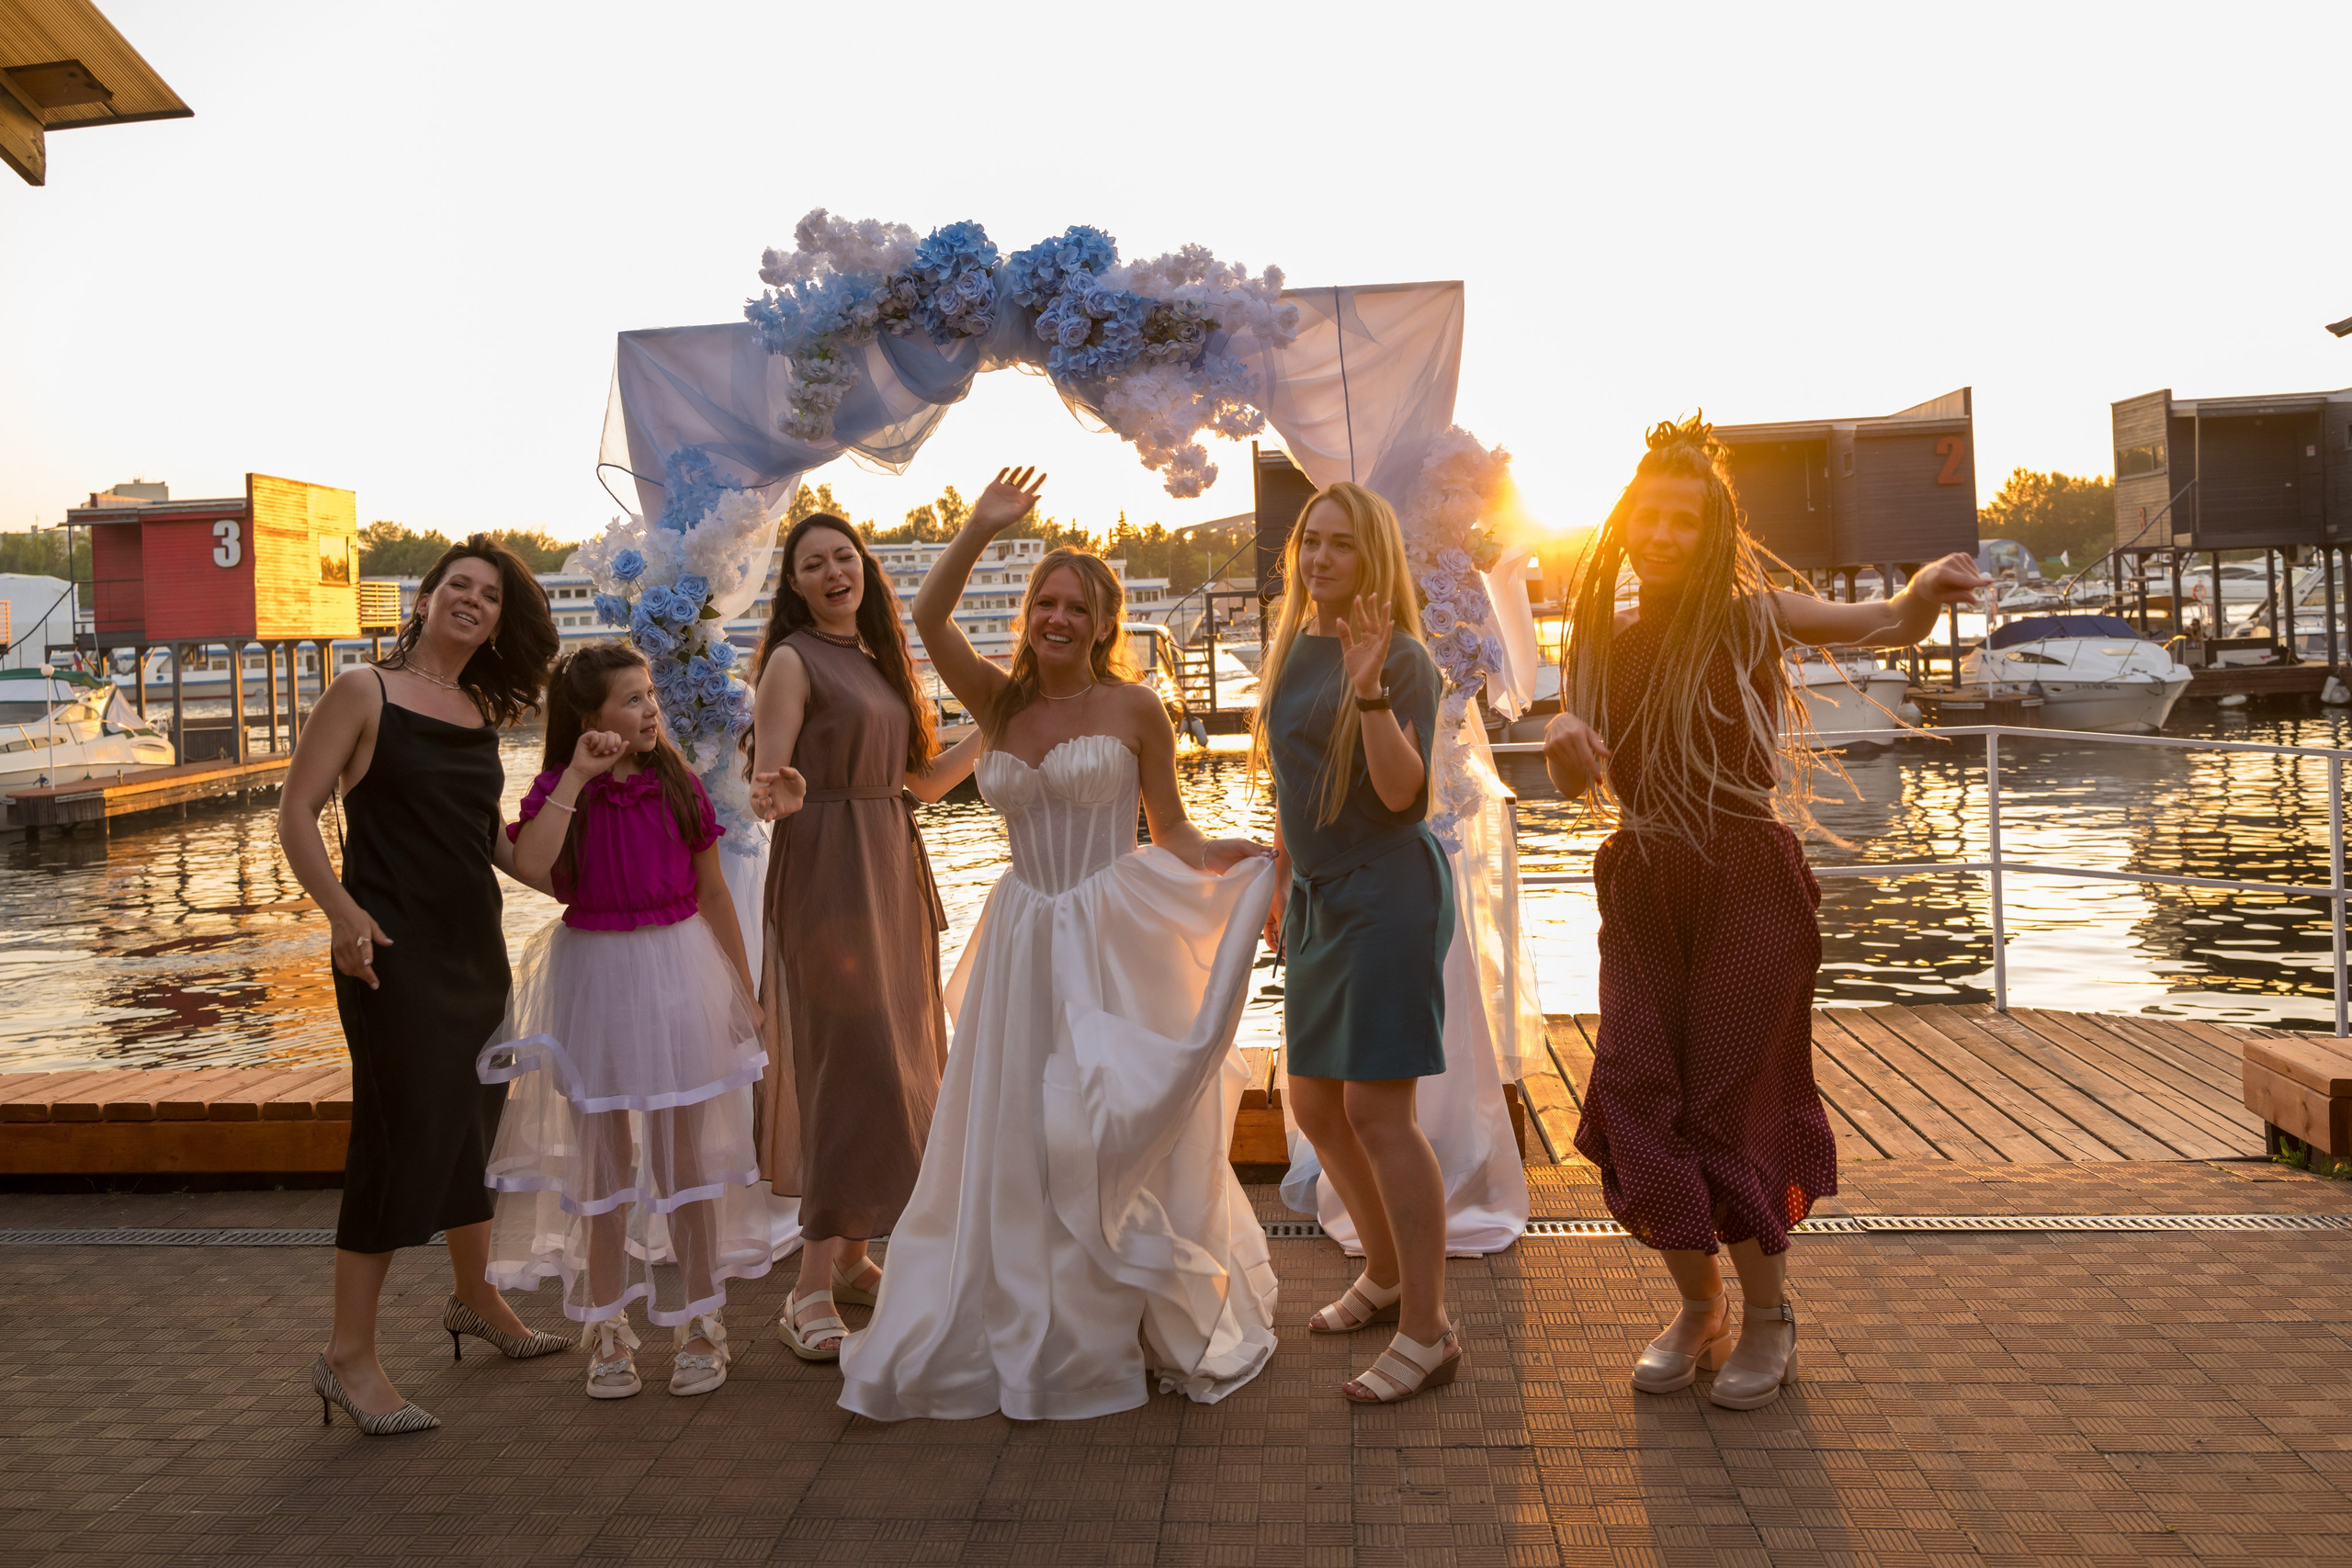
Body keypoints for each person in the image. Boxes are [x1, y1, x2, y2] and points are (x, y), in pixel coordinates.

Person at [1542, 415, 1989, 1409]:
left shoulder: (1751, 619)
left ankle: (1770, 1315)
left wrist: (1919, 594)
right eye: (1649, 517)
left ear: (1711, 530)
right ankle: (1700, 1308)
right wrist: (1568, 751)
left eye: (1685, 520)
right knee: (1630, 1084)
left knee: (1723, 1101)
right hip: (1647, 874)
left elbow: (1883, 625)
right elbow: (1583, 774)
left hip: (1743, 874)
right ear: (1624, 524)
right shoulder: (1600, 646)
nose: (1664, 535)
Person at [836, 468, 1278, 1422]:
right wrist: (981, 526)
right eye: (1045, 602)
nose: (1057, 617)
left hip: (1107, 937)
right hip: (1022, 936)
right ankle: (1016, 1299)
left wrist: (1227, 862)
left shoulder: (1134, 710)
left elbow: (1173, 834)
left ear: (1103, 622)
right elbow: (927, 612)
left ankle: (1115, 1309)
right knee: (1015, 1127)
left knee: (1098, 1119)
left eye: (1077, 606)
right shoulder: (997, 705)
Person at [277, 536, 564, 1436]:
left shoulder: (477, 715)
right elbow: (295, 810)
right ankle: (346, 1357)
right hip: (389, 957)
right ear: (428, 597)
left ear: (499, 623)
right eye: (459, 585)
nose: (472, 599)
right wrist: (340, 913)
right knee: (400, 1141)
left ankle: (477, 1297)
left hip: (474, 958)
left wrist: (585, 795)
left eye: (489, 594)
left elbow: (501, 851)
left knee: (471, 1133)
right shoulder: (364, 691)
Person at [476, 644, 771, 1400]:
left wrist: (742, 992)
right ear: (588, 718)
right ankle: (606, 1327)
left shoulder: (676, 785)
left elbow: (712, 894)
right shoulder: (559, 790)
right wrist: (575, 775)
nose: (650, 710)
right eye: (632, 699)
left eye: (650, 697)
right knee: (601, 1166)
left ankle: (701, 1321)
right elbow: (538, 869)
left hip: (679, 972)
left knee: (685, 1162)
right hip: (596, 979)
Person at [746, 513, 980, 1362]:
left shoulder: (881, 659)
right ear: (796, 583)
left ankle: (850, 1260)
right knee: (844, 1067)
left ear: (863, 568)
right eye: (814, 563)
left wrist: (993, 722)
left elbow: (918, 781)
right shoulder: (790, 660)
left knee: (897, 1058)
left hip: (888, 862)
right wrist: (784, 790)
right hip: (825, 867)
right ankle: (806, 1285)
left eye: (844, 556)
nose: (833, 570)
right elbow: (765, 789)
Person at [1256, 480, 1459, 1405]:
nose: (1320, 558)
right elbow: (1293, 782)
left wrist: (1372, 688)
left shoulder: (1401, 658)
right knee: (1315, 1106)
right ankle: (1381, 1276)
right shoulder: (1292, 643)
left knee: (1381, 1116)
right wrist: (1278, 871)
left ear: (1373, 558)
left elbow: (1400, 797)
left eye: (1340, 544)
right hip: (1316, 898)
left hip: (1386, 895)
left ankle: (1430, 1330)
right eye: (1310, 541)